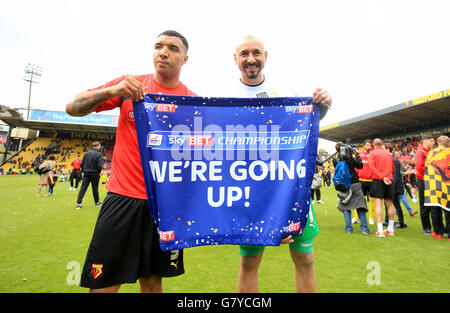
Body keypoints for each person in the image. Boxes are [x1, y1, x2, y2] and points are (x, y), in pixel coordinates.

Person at [66, 30, 196, 293]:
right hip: (122, 198)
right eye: (158, 46)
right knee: (103, 284)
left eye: (172, 48)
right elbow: (72, 107)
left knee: (152, 283)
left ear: (184, 59)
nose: (163, 52)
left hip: (164, 206)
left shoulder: (191, 102)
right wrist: (112, 90)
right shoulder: (129, 86)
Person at [229, 35, 332, 293]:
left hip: (290, 189)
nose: (250, 59)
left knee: (306, 259)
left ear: (266, 56)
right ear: (235, 58)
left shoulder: (289, 91)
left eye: (256, 53)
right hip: (250, 193)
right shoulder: (226, 96)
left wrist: (324, 104)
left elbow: (309, 124)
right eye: (244, 54)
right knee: (249, 262)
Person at [333, 142, 370, 234]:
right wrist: (356, 154)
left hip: (343, 185)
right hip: (354, 183)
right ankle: (364, 229)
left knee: (346, 207)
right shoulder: (349, 158)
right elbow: (360, 165)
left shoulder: (335, 159)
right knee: (360, 206)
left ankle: (349, 229)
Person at [368, 138, 396, 237]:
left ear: (373, 145)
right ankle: (391, 229)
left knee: (378, 204)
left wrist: (382, 177)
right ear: (382, 144)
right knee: (389, 204)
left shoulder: (372, 154)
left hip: (378, 179)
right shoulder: (388, 154)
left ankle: (380, 230)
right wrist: (386, 176)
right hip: (389, 178)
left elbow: (371, 167)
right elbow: (392, 168)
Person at [424, 135, 450, 240]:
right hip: (447, 184)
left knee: (435, 208)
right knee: (448, 209)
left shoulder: (431, 153)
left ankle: (438, 232)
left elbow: (427, 166)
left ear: (438, 143)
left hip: (434, 185)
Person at [414, 134, 435, 235]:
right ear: (425, 141)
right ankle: (426, 227)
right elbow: (419, 166)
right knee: (424, 204)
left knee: (433, 203)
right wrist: (429, 175)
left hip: (431, 179)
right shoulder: (420, 151)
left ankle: (436, 226)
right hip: (423, 179)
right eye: (431, 141)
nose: (433, 142)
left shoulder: (430, 151)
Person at [75, 141, 104, 209]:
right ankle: (97, 202)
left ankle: (79, 203)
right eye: (99, 146)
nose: (100, 147)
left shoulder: (86, 153)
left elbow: (82, 163)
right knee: (95, 188)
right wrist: (99, 172)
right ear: (97, 146)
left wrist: (83, 171)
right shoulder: (99, 154)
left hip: (86, 172)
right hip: (95, 173)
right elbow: (99, 166)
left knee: (83, 188)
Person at [354, 139, 376, 225]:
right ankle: (356, 217)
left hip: (371, 180)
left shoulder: (374, 155)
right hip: (361, 180)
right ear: (364, 145)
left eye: (370, 145)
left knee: (372, 199)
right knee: (358, 199)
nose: (369, 147)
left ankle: (371, 217)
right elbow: (356, 166)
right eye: (367, 145)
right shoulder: (359, 154)